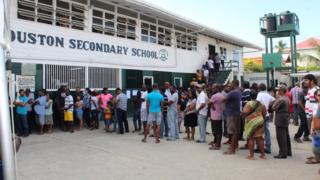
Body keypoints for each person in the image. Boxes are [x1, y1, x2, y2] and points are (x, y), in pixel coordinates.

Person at [242, 90, 267, 160]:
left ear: (250, 96)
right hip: (259, 121)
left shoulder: (249, 103)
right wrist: (261, 118)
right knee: (260, 138)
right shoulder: (261, 103)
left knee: (251, 138)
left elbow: (245, 112)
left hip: (251, 123)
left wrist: (243, 113)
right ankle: (263, 155)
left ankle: (251, 156)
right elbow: (265, 112)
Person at [271, 85, 292, 159]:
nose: (277, 91)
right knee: (286, 135)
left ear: (282, 91)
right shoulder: (287, 98)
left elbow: (273, 107)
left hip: (280, 118)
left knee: (281, 136)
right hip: (285, 117)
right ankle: (288, 151)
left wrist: (275, 99)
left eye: (279, 90)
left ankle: (282, 153)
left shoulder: (281, 99)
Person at [223, 80, 242, 155]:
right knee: (236, 131)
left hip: (232, 114)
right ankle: (235, 146)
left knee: (233, 132)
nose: (229, 85)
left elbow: (223, 99)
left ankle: (232, 149)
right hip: (236, 113)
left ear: (234, 84)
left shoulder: (233, 92)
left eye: (230, 84)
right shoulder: (239, 91)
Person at [256, 83, 275, 154]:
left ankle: (259, 147)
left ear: (259, 88)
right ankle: (268, 147)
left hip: (260, 114)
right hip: (266, 115)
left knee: (259, 131)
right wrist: (269, 106)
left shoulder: (259, 94)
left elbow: (257, 102)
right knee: (267, 131)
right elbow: (274, 100)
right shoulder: (268, 95)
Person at [306, 89, 320, 165]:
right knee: (316, 146)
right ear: (315, 96)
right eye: (318, 95)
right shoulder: (315, 106)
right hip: (316, 129)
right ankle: (317, 157)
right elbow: (313, 118)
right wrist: (312, 128)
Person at [208, 84, 224, 150]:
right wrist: (212, 105)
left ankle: (217, 145)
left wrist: (211, 105)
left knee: (216, 131)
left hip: (215, 116)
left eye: (213, 88)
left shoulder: (214, 96)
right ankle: (216, 142)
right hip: (219, 115)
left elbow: (209, 104)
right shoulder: (221, 95)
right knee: (218, 131)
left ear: (217, 88)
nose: (212, 89)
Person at [304, 74, 319, 138]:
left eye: (306, 80)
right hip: (309, 115)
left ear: (312, 81)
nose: (305, 82)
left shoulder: (316, 90)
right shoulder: (310, 89)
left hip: (314, 117)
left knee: (316, 135)